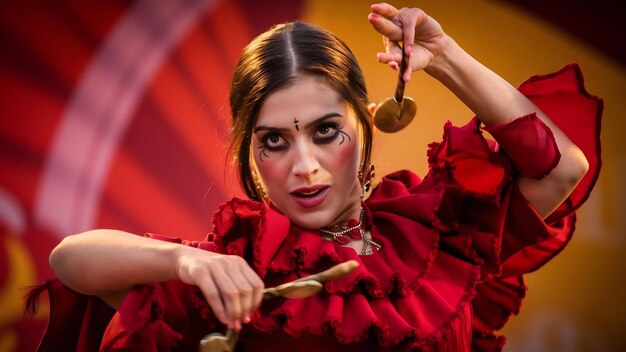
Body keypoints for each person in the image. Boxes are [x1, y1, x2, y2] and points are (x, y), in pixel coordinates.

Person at [28, 3, 602, 351]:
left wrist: (445, 56)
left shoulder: (435, 241)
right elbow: (69, 260)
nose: (304, 165)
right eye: (274, 140)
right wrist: (186, 261)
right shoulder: (238, 275)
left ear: (367, 123)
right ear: (251, 156)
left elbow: (560, 168)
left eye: (326, 131)